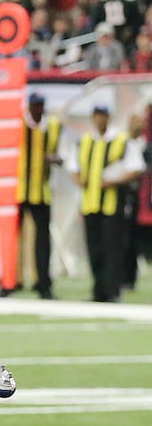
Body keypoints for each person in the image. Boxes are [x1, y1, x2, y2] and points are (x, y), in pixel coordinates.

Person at [72, 103, 135, 303]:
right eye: (97, 116)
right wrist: (79, 179)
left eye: (103, 116)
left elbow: (135, 167)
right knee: (95, 248)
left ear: (109, 117)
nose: (100, 119)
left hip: (112, 204)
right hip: (90, 202)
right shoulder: (84, 140)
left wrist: (115, 180)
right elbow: (73, 167)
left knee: (112, 248)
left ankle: (112, 290)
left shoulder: (121, 139)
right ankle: (98, 290)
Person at [19, 92, 61, 299]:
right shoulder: (18, 125)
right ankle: (10, 281)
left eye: (41, 105)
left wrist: (52, 159)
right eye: (35, 105)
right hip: (17, 190)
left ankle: (43, 282)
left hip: (42, 191)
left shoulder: (52, 126)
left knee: (43, 241)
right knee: (11, 238)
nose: (38, 109)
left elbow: (59, 155)